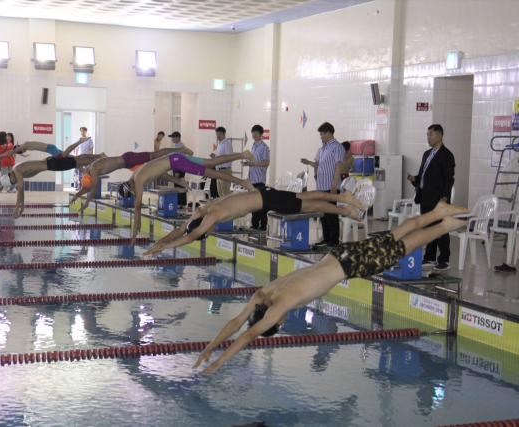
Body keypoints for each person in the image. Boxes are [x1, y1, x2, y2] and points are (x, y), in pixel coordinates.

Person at [191, 201, 469, 375]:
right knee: (392, 236)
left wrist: (220, 361)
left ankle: (444, 224)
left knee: (405, 246)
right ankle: (437, 210)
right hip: (340, 253)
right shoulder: (263, 294)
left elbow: (249, 332)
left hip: (350, 266)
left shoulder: (280, 307)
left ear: (276, 320)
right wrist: (210, 347)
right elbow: (238, 321)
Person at [144, 188, 365, 256]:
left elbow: (190, 236)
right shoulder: (201, 210)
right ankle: (343, 202)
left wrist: (164, 247)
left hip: (266, 199)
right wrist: (161, 242)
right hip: (264, 196)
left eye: (207, 232)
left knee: (312, 205)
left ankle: (344, 206)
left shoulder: (212, 216)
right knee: (306, 199)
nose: (209, 232)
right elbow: (183, 229)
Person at [120, 151, 257, 244]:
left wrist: (134, 233)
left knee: (212, 173)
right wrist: (178, 181)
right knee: (210, 163)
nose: (136, 194)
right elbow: (157, 172)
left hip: (176, 161)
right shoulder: (135, 176)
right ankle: (243, 154)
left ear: (130, 188)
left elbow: (137, 207)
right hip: (173, 157)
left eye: (134, 193)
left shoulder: (137, 181)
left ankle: (243, 182)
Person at [69, 145, 191, 211]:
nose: (94, 181)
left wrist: (87, 202)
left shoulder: (94, 169)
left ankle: (180, 149)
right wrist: (76, 195)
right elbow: (88, 188)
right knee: (155, 172)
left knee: (155, 155)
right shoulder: (91, 169)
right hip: (126, 164)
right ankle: (177, 180)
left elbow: (94, 189)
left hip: (128, 159)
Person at [406, 124, 455, 271]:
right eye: (427, 135)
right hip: (425, 196)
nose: (428, 138)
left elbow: (449, 179)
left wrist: (445, 198)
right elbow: (422, 176)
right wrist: (413, 179)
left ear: (439, 135)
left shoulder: (446, 155)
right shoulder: (427, 154)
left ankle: (444, 259)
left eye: (430, 135)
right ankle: (430, 257)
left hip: (438, 198)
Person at [0, 154, 102, 218]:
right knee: (75, 161)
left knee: (76, 162)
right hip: (50, 162)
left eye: (13, 182)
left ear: (11, 178)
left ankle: (98, 160)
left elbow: (20, 191)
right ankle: (98, 158)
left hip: (52, 164)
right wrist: (21, 206)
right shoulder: (15, 168)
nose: (15, 183)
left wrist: (17, 209)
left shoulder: (17, 171)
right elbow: (21, 190)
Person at [312, 122, 345, 248]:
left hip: (330, 187)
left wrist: (334, 185)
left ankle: (334, 240)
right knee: (323, 214)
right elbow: (320, 164)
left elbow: (338, 167)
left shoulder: (337, 147)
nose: (320, 136)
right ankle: (326, 238)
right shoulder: (324, 147)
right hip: (321, 186)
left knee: (331, 214)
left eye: (321, 134)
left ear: (328, 133)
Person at [244, 125, 271, 230]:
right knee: (253, 203)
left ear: (261, 134)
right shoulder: (253, 146)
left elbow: (266, 163)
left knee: (260, 204)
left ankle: (263, 225)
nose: (253, 135)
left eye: (256, 133)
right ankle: (254, 224)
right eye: (252, 133)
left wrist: (254, 164)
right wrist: (249, 163)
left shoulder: (264, 147)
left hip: (259, 180)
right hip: (252, 179)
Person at [0, 136, 92, 161]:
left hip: (50, 149)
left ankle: (79, 141)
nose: (24, 151)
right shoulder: (25, 144)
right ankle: (87, 158)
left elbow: (12, 152)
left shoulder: (24, 146)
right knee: (70, 156)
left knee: (64, 156)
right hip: (50, 147)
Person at [169, 131, 193, 207]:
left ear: (177, 137)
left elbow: (180, 160)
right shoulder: (177, 146)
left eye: (173, 137)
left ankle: (181, 203)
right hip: (177, 168)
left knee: (180, 185)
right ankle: (179, 202)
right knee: (177, 185)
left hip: (179, 168)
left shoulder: (180, 147)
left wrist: (177, 171)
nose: (172, 139)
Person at [213, 127, 233, 197]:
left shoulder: (227, 144)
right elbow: (221, 157)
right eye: (217, 134)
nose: (218, 135)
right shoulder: (219, 144)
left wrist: (217, 158)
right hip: (219, 171)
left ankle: (228, 207)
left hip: (225, 170)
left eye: (220, 134)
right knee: (220, 193)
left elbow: (229, 158)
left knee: (226, 193)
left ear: (224, 134)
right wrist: (215, 157)